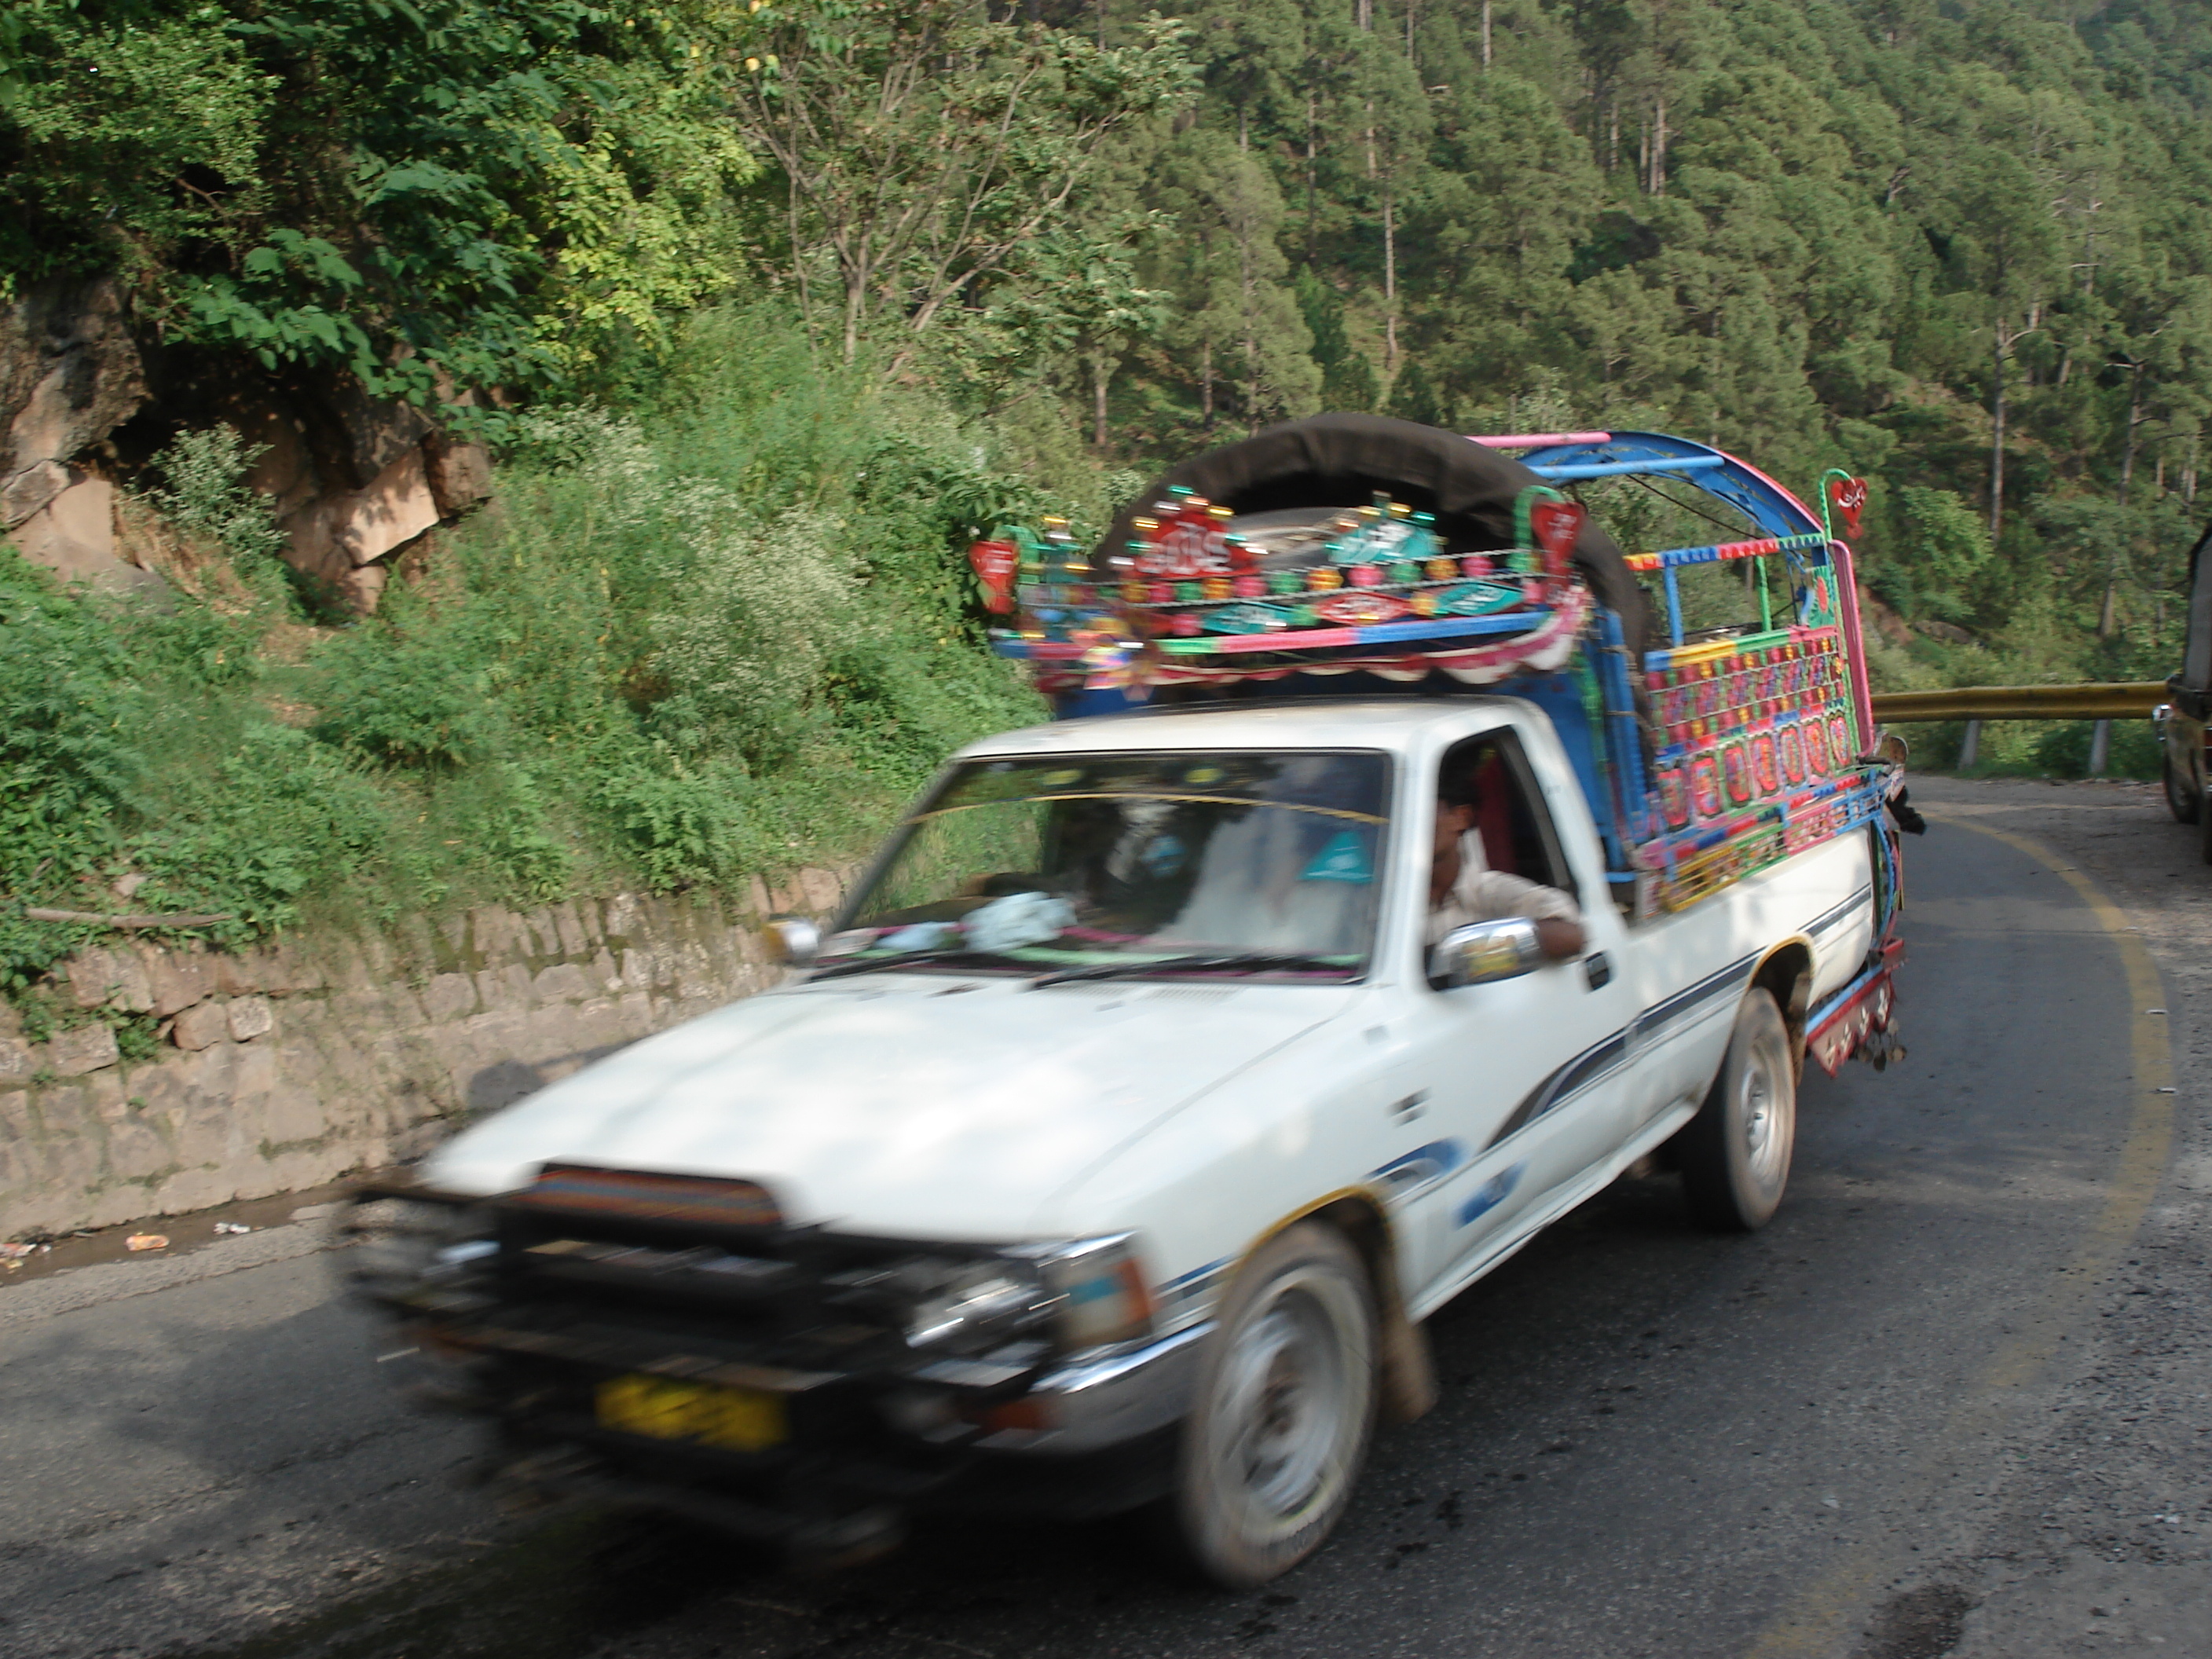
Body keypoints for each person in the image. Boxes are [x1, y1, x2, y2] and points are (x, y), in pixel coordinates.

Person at [1426, 760, 1585, 961]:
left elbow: (1569, 936)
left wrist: (1463, 956)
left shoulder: (1489, 893)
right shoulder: (1382, 904)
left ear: (1461, 817)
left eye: (1419, 812)